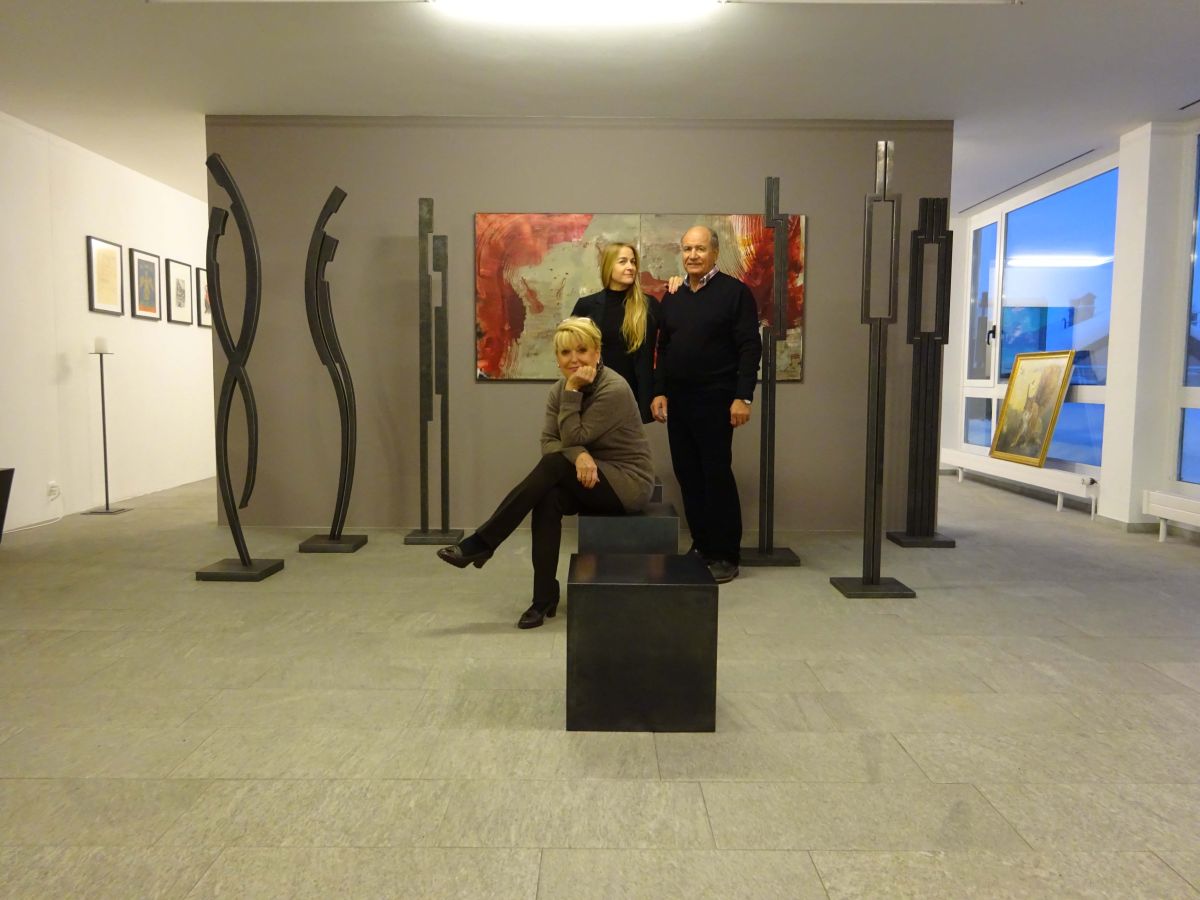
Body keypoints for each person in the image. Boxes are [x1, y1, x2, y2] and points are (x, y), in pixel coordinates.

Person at [438, 317, 655, 628]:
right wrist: (580, 455)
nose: (574, 359)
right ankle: (543, 598)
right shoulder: (559, 390)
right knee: (547, 498)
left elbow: (572, 437)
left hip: (627, 482)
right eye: (565, 352)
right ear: (557, 357)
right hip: (586, 477)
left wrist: (573, 397)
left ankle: (482, 543)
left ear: (597, 352)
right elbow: (549, 443)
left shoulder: (614, 389)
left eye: (582, 350)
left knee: (554, 465)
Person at [651, 225, 761, 584]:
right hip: (679, 402)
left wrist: (743, 396)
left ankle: (726, 554)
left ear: (715, 252)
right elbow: (664, 347)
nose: (693, 255)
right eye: (687, 249)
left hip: (717, 400)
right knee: (688, 474)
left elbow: (750, 347)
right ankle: (702, 545)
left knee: (716, 475)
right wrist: (660, 391)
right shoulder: (675, 296)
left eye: (699, 249)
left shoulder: (735, 293)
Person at [572, 241, 659, 424]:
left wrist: (679, 285)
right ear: (608, 266)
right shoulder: (586, 306)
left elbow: (669, 344)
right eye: (623, 261)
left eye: (633, 262)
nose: (630, 267)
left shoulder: (649, 305)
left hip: (634, 398)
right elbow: (571, 351)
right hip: (596, 395)